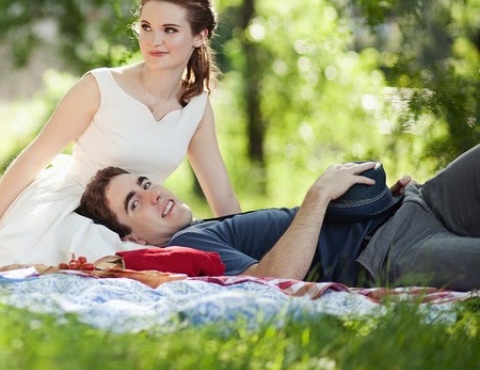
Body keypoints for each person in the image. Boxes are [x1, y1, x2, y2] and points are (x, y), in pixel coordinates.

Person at [0, 0, 242, 269]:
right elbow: (34, 157)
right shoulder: (100, 87)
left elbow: (223, 197)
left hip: (142, 229)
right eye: (146, 26)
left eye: (170, 30)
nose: (154, 41)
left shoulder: (197, 106)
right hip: (73, 215)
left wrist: (244, 245)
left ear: (199, 36)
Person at [76, 144, 480, 291]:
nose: (152, 194)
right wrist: (318, 194)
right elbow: (269, 280)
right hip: (391, 251)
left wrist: (373, 202)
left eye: (144, 183)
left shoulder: (204, 229)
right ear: (135, 240)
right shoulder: (190, 246)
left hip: (417, 201)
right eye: (134, 203)